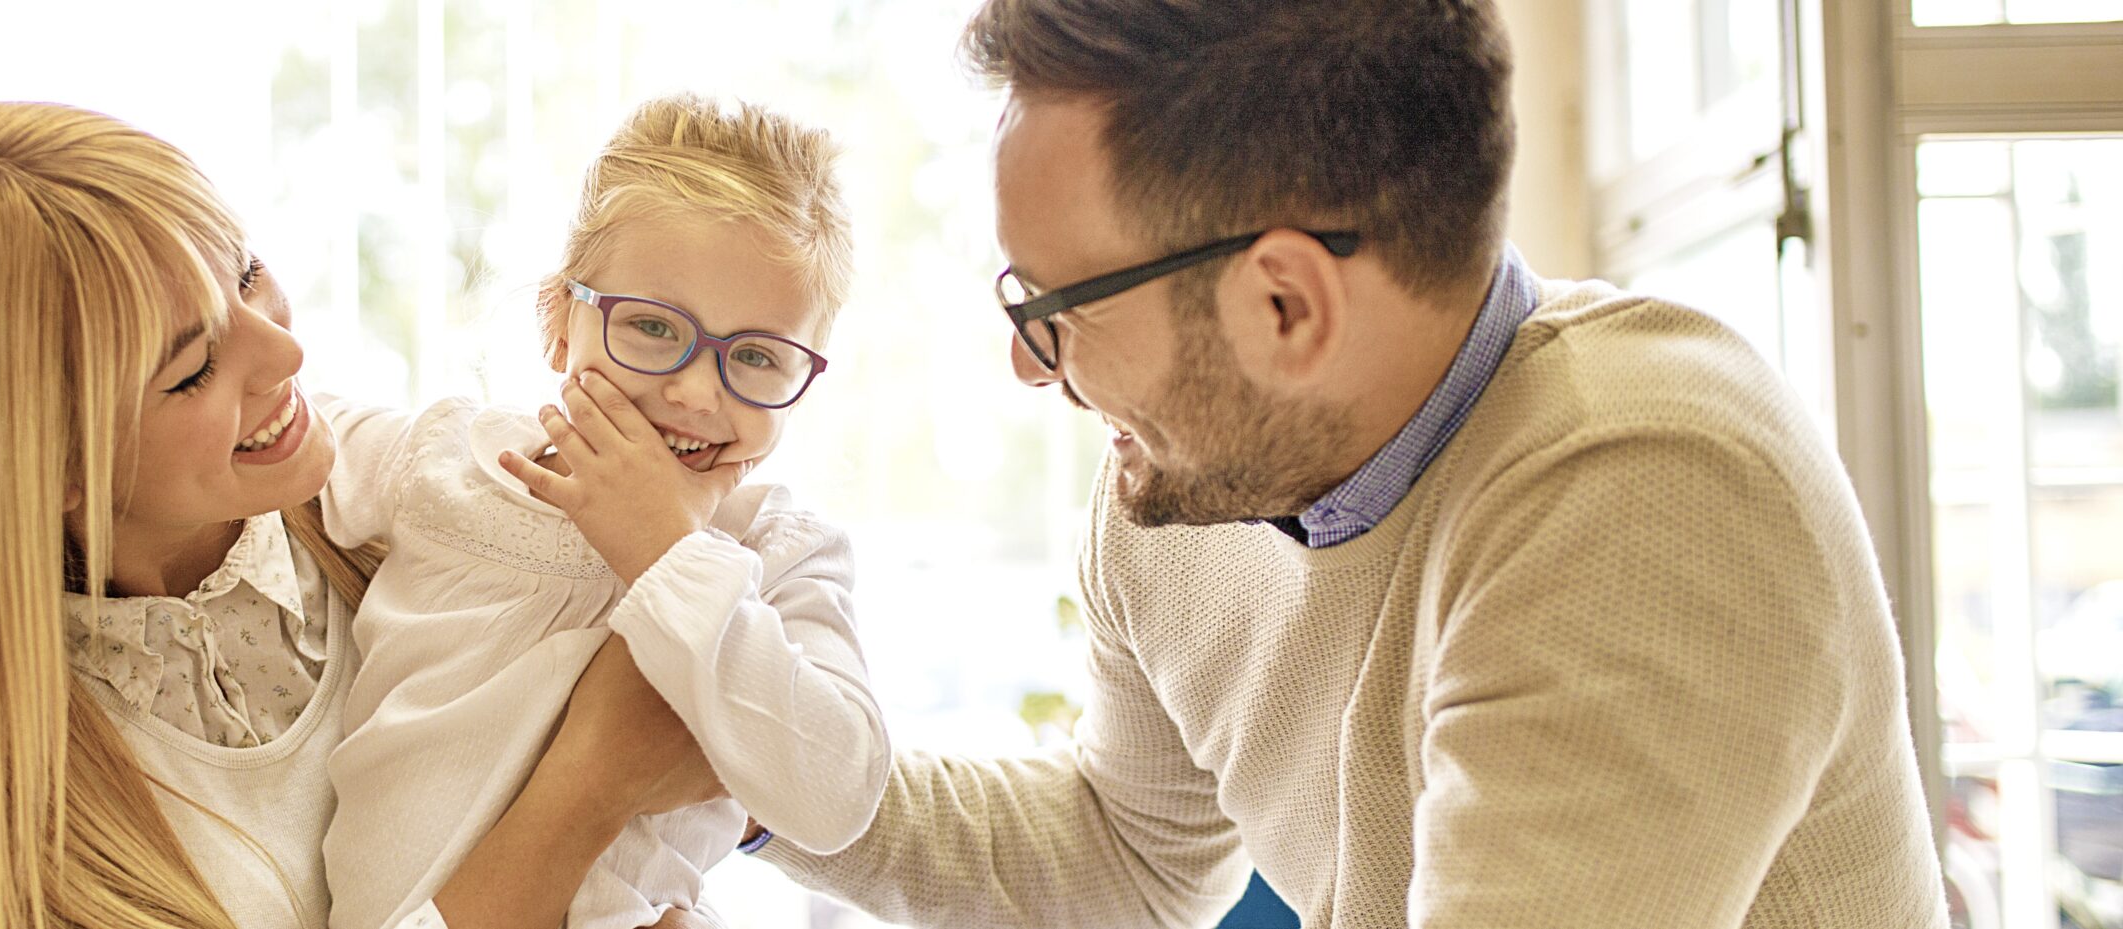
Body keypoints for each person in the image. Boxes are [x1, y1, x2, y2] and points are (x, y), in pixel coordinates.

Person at [745, 1, 1950, 926]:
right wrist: (741, 758)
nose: (1028, 363)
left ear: (1284, 304)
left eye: (1057, 307)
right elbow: (1126, 849)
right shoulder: (1191, 484)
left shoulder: (1648, 487)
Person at [0, 101, 728, 929]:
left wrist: (725, 801)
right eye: (192, 369)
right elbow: (613, 764)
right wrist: (588, 786)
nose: (284, 351)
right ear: (45, 467)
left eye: (245, 274)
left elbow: (798, 786)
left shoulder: (423, 505)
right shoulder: (10, 805)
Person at [318, 93, 888, 929]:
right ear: (558, 322)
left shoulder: (778, 551)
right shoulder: (448, 460)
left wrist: (671, 549)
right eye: (653, 327)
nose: (696, 392)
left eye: (758, 356)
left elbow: (838, 797)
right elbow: (270, 427)